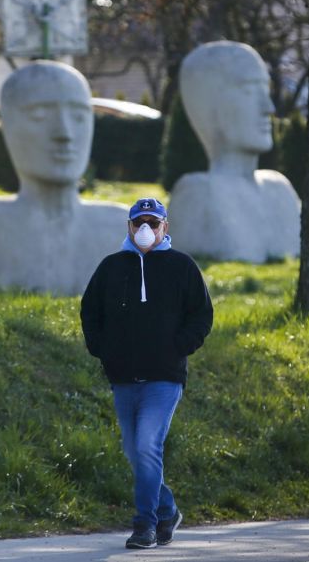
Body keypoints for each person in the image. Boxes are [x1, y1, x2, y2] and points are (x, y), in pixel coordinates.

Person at [80, 197, 213, 549]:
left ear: (164, 227)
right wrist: (102, 349)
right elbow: (90, 311)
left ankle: (145, 525)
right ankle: (167, 509)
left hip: (164, 378)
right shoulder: (111, 267)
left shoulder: (182, 266)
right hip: (123, 377)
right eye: (139, 223)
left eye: (152, 223)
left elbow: (201, 315)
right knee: (134, 451)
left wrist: (178, 347)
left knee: (146, 445)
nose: (145, 230)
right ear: (128, 226)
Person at [0, 60, 128, 296]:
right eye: (40, 116)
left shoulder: (120, 227)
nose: (65, 134)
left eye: (79, 117)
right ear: (7, 125)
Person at [167, 41, 300, 263]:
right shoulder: (197, 194)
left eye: (265, 90)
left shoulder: (280, 190)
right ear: (209, 104)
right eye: (249, 90)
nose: (269, 107)